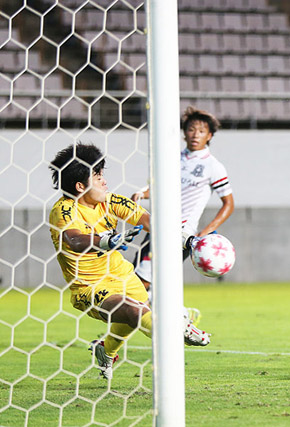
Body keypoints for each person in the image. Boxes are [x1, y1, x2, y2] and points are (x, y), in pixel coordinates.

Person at [48, 143, 211, 380]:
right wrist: (105, 240)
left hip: (124, 277)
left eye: (103, 174)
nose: (104, 181)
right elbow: (73, 240)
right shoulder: (63, 210)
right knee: (135, 311)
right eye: (98, 176)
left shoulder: (110, 200)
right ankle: (177, 331)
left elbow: (148, 220)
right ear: (80, 186)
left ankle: (105, 351)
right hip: (89, 287)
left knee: (133, 315)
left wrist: (187, 240)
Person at [131, 106, 234, 325]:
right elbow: (163, 189)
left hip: (181, 235)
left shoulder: (212, 166)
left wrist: (204, 234)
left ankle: (180, 320)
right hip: (157, 229)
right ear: (184, 132)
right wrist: (143, 193)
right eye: (191, 129)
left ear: (210, 136)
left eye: (201, 130)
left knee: (138, 285)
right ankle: (181, 318)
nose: (195, 134)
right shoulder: (172, 160)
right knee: (146, 286)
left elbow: (228, 204)